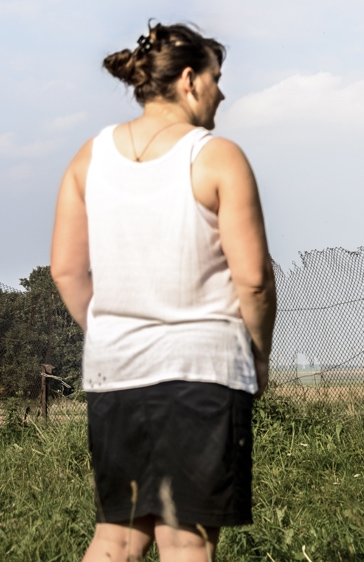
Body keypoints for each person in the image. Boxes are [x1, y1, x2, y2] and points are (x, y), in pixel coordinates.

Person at [50, 22, 276, 562]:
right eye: (217, 79)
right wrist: (258, 356)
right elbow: (253, 279)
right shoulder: (218, 156)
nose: (222, 93)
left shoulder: (89, 158)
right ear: (190, 80)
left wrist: (111, 331)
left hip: (115, 372)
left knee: (118, 537)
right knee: (185, 539)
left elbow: (66, 271)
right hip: (203, 370)